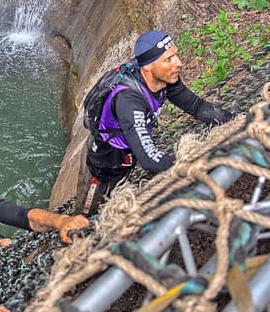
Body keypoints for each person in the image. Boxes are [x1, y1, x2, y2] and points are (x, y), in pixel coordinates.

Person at [75, 30, 233, 215]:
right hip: (103, 163)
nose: (178, 63)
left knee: (116, 203)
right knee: (87, 217)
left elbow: (197, 107)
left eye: (176, 55)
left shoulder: (165, 80)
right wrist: (199, 165)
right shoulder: (129, 101)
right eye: (168, 59)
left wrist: (236, 120)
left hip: (129, 153)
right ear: (148, 66)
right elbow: (149, 159)